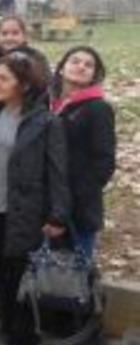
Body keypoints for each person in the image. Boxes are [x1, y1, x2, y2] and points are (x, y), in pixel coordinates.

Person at [0, 52, 71, 345]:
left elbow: (59, 174)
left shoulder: (47, 123)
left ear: (25, 85)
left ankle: (24, 339)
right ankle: (8, 327)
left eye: (3, 78)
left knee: (22, 277)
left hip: (24, 213)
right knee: (1, 274)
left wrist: (57, 215)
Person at [51, 46, 116, 258]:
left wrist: (70, 204)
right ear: (61, 68)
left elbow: (104, 164)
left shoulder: (98, 109)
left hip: (78, 211)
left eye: (88, 65)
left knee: (74, 281)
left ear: (94, 75)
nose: (81, 67)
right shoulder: (53, 105)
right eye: (75, 61)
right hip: (49, 206)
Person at [0, 15, 52, 91]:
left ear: (24, 36)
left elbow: (45, 86)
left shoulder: (37, 59)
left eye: (15, 33)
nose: (9, 38)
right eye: (4, 34)